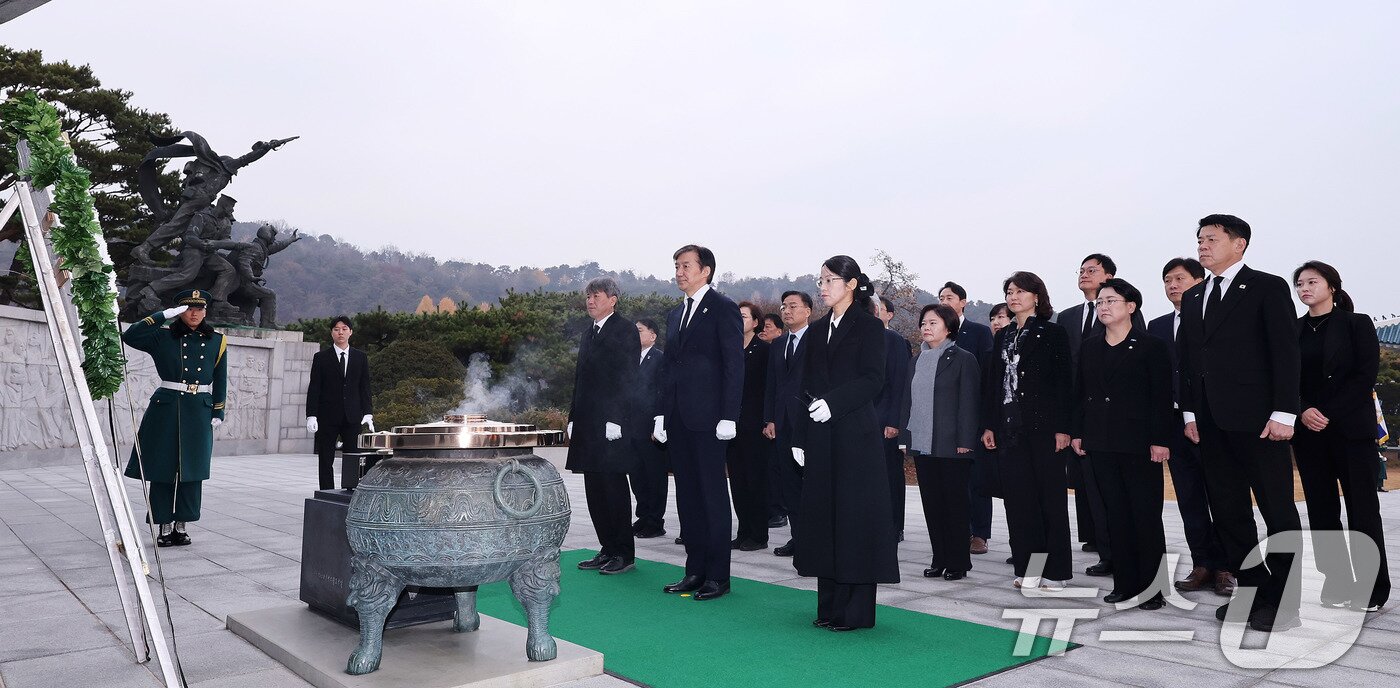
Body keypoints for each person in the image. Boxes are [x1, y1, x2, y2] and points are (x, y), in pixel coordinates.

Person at [1179, 214, 1303, 633]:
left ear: (1240, 244)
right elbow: (1190, 360)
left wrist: (1285, 412)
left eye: (1211, 239)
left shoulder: (1267, 287)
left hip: (1262, 423)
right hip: (1211, 424)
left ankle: (1283, 601)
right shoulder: (1195, 297)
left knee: (1277, 511)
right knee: (1229, 513)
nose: (1202, 246)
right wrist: (1191, 412)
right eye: (1199, 240)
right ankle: (1251, 592)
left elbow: (1286, 352)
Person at [792, 255, 898, 630]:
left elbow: (873, 379)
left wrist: (833, 404)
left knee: (853, 519)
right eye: (819, 280)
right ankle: (830, 607)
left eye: (830, 280)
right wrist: (800, 435)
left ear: (851, 284)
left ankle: (855, 612)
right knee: (825, 516)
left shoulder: (869, 327)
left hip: (855, 435)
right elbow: (803, 382)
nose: (822, 287)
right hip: (820, 434)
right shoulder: (818, 329)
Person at [1291, 261, 1389, 611]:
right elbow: (1286, 379)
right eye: (1299, 283)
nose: (1304, 288)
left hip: (1350, 430)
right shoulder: (1294, 329)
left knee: (1362, 508)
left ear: (1331, 286)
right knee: (1321, 510)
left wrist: (1328, 413)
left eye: (1312, 281)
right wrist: (1303, 409)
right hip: (1308, 432)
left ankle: (1372, 589)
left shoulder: (1356, 324)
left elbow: (1364, 376)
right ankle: (1337, 583)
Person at [1070, 278, 1173, 610]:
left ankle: (1153, 588)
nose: (1103, 307)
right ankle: (1125, 583)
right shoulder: (1089, 346)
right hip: (1100, 442)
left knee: (1144, 515)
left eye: (1111, 301)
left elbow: (1161, 398)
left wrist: (1160, 440)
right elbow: (1080, 394)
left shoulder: (1152, 346)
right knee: (1115, 515)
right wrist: (1078, 432)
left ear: (1131, 306)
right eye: (1100, 302)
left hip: (1140, 444)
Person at [655, 244, 744, 601]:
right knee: (688, 497)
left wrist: (729, 416)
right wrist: (662, 412)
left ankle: (718, 576)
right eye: (676, 265)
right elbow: (669, 368)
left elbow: (733, 365)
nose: (679, 271)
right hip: (679, 418)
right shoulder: (676, 314)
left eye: (686, 265)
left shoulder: (723, 308)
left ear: (705, 270)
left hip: (710, 420)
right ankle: (694, 570)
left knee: (712, 497)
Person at [1147, 258, 1233, 596]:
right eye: (1167, 280)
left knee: (1223, 495)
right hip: (1173, 424)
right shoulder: (1156, 325)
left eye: (1180, 278)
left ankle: (1227, 567)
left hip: (1213, 421)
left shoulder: (1217, 320)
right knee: (1189, 497)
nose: (1172, 285)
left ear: (1200, 282)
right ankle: (1202, 564)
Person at [982, 271, 1073, 591]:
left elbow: (1064, 383)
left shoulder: (1053, 333)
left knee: (1049, 500)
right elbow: (994, 383)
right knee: (1019, 503)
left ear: (1037, 296)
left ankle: (1056, 572)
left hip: (1045, 429)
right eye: (1009, 291)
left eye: (1020, 291)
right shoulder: (1002, 335)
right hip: (1010, 429)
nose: (1013, 296)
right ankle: (1028, 568)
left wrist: (1064, 427)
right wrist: (989, 424)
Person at [1058, 254, 1142, 577]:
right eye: (1080, 270)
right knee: (1092, 487)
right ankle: (1106, 552)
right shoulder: (1067, 317)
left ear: (1109, 275)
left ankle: (1129, 552)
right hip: (1082, 415)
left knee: (1121, 492)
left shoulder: (1126, 311)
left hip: (1119, 419)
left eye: (1091, 270)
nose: (1084, 274)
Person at [123, 289, 228, 546]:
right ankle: (163, 525)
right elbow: (130, 335)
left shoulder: (217, 340)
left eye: (199, 308)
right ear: (180, 311)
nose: (194, 313)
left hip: (199, 409)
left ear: (205, 311)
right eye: (188, 308)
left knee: (192, 471)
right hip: (167, 408)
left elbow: (221, 378)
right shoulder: (163, 336)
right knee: (163, 469)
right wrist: (162, 316)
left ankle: (182, 523)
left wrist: (218, 410)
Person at [900, 304, 981, 581]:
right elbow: (907, 403)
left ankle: (958, 562)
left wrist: (965, 440)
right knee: (932, 504)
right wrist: (905, 438)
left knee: (955, 506)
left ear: (948, 327)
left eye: (933, 323)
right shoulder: (916, 360)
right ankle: (939, 558)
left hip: (952, 444)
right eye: (924, 323)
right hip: (924, 443)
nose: (926, 327)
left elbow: (969, 402)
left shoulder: (963, 358)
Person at [567, 278, 642, 575]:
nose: (590, 300)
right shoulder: (589, 333)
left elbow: (627, 377)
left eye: (596, 295)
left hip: (611, 422)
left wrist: (617, 417)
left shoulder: (624, 329)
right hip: (588, 421)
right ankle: (607, 547)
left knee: (613, 488)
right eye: (588, 296)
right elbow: (580, 380)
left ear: (613, 299)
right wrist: (572, 416)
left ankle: (624, 552)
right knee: (594, 488)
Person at [939, 282, 996, 555]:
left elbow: (988, 374)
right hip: (945, 418)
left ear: (963, 302)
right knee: (952, 479)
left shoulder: (979, 332)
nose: (944, 301)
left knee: (976, 478)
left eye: (949, 297)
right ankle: (957, 530)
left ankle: (979, 533)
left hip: (973, 415)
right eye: (940, 298)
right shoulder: (936, 335)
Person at [764, 290, 813, 557]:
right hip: (783, 423)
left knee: (811, 483)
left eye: (793, 306)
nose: (787, 311)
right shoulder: (779, 344)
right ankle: (798, 537)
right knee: (790, 484)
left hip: (809, 421)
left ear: (808, 311)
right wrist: (769, 418)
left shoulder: (818, 340)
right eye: (784, 306)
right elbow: (772, 384)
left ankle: (815, 539)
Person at [306, 316, 373, 490]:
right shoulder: (321, 358)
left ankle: (351, 492)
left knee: (353, 458)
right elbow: (314, 387)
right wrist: (311, 415)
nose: (340, 332)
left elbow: (364, 386)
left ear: (350, 332)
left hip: (352, 416)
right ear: (331, 333)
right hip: (327, 416)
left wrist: (368, 413)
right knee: (325, 459)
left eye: (344, 329)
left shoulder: (360, 357)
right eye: (336, 329)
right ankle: (327, 493)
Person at [727, 302, 772, 551]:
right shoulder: (730, 349)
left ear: (755, 322)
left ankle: (759, 534)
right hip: (732, 426)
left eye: (743, 316)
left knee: (756, 480)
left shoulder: (765, 351)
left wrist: (768, 419)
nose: (738, 320)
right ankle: (743, 531)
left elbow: (769, 389)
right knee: (738, 481)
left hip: (756, 425)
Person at [874, 296, 912, 541]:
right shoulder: (859, 339)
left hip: (886, 422)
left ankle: (894, 525)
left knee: (890, 475)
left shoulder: (895, 341)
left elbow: (900, 383)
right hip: (861, 421)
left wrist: (894, 422)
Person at [628, 318, 669, 539]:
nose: (636, 334)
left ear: (653, 335)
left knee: (654, 475)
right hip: (632, 426)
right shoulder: (631, 359)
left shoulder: (660, 358)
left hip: (651, 427)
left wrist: (660, 422)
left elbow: (662, 391)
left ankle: (655, 520)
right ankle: (643, 516)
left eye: (640, 331)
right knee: (637, 475)